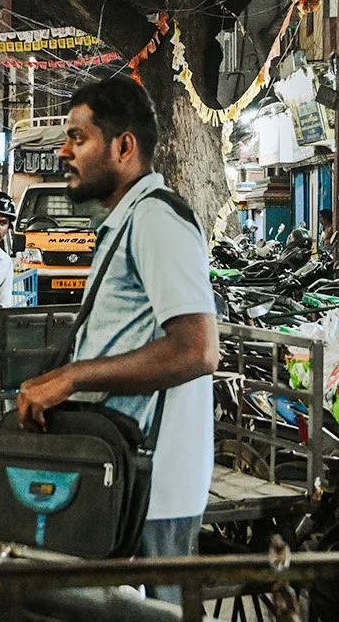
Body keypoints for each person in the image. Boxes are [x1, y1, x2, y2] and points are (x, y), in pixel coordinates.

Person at [16, 76, 220, 561]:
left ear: (124, 147)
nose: (64, 152)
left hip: (154, 486)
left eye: (78, 138)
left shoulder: (156, 220)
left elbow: (197, 350)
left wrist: (72, 377)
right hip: (123, 471)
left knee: (150, 612)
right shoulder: (127, 220)